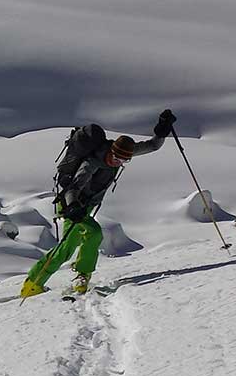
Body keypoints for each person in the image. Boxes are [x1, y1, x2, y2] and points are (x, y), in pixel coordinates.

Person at [21, 109, 176, 298]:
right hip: (72, 205)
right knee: (82, 239)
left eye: (123, 160)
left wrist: (162, 129)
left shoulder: (122, 152)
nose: (118, 163)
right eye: (117, 158)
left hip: (85, 206)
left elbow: (152, 146)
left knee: (77, 241)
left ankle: (69, 277)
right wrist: (72, 208)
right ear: (112, 151)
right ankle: (35, 284)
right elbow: (72, 188)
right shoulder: (91, 163)